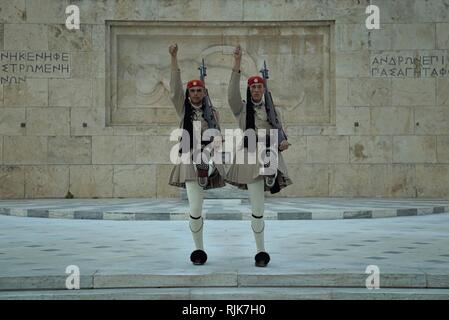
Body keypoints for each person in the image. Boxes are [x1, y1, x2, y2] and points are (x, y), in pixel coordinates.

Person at [226, 45, 292, 267]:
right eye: (253, 87)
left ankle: (272, 174)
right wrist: (237, 63)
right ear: (249, 89)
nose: (256, 90)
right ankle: (261, 251)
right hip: (251, 156)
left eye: (259, 87)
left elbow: (279, 129)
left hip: (270, 152)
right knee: (257, 207)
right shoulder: (242, 109)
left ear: (263, 90)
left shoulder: (272, 110)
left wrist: (283, 141)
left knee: (261, 204)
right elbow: (231, 94)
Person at [168, 44, 225, 265]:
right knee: (195, 208)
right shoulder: (184, 111)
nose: (195, 93)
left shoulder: (214, 113)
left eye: (199, 90)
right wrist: (174, 58)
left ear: (204, 92)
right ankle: (199, 250)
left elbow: (218, 137)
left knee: (206, 156)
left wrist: (210, 150)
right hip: (188, 159)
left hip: (207, 155)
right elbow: (174, 89)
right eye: (191, 91)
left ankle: (207, 169)